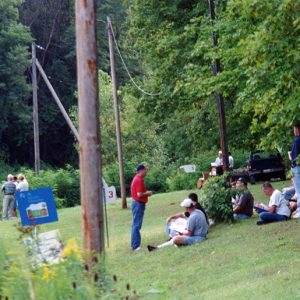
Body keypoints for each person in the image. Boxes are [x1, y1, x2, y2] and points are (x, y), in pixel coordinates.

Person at [130, 163, 152, 251]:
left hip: (137, 204)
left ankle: (135, 244)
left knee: (135, 224)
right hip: (138, 204)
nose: (146, 171)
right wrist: (148, 193)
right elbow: (139, 194)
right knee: (136, 225)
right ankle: (135, 246)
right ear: (141, 170)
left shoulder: (137, 179)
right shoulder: (138, 180)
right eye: (145, 169)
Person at [289, 122, 300, 218]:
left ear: (297, 129)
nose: (293, 131)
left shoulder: (297, 140)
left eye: (294, 129)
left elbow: (295, 157)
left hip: (297, 167)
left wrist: (290, 156)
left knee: (298, 189)